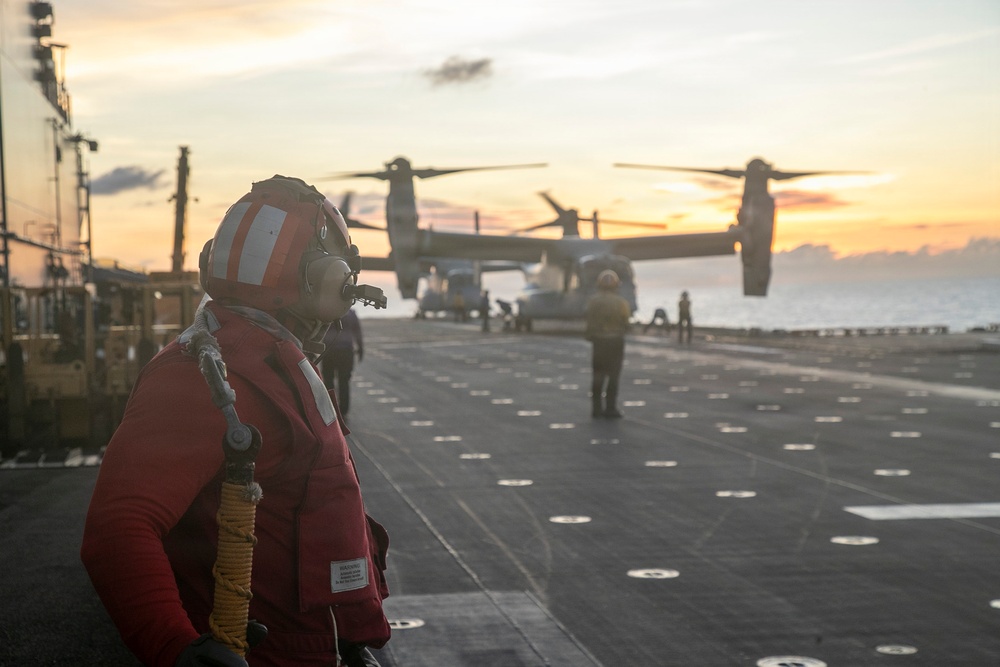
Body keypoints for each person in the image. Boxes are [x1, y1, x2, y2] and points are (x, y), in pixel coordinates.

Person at [81, 176, 390, 667]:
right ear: (319, 278)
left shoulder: (272, 359)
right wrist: (175, 647)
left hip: (331, 648)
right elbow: (117, 527)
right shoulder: (202, 376)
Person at [585, 269, 631, 419]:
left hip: (599, 342)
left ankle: (596, 409)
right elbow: (626, 323)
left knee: (598, 376)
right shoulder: (622, 303)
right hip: (616, 342)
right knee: (613, 376)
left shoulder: (593, 301)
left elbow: (589, 321)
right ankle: (611, 409)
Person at [322, 308, 363, 417]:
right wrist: (361, 348)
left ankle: (330, 407)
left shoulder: (326, 311)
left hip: (328, 351)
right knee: (344, 381)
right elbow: (357, 332)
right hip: (345, 351)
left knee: (328, 381)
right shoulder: (351, 314)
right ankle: (343, 410)